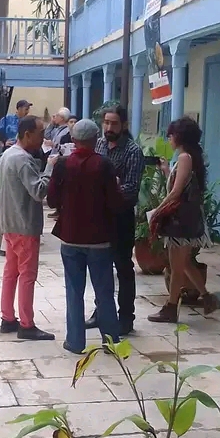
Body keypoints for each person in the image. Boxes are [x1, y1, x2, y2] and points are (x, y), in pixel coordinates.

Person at [47, 119, 123, 354]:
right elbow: (115, 203)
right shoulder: (104, 165)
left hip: (70, 237)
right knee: (104, 292)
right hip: (99, 238)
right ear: (95, 139)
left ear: (74, 139)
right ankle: (111, 342)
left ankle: (76, 341)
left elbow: (51, 199)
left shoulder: (62, 164)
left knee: (74, 290)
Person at [148, 116, 217, 322]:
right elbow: (183, 184)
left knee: (176, 266)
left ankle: (171, 307)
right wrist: (167, 171)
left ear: (179, 136)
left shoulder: (185, 158)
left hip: (179, 221)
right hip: (187, 219)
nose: (169, 139)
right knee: (184, 262)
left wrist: (158, 210)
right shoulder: (190, 157)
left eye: (171, 135)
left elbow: (177, 191)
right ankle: (207, 297)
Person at [0, 115, 57, 341]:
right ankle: (26, 323)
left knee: (11, 273)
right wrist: (50, 167)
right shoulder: (23, 159)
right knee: (27, 275)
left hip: (10, 224)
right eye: (41, 132)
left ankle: (7, 318)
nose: (44, 137)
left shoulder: (8, 154)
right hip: (24, 225)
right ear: (28, 134)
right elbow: (39, 191)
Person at [89, 105, 144, 335]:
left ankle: (126, 317)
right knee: (100, 268)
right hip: (100, 217)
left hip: (121, 218)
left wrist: (108, 187)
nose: (109, 127)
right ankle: (100, 312)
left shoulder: (132, 151)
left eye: (113, 123)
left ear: (124, 125)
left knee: (123, 267)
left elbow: (130, 189)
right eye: (106, 123)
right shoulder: (100, 144)